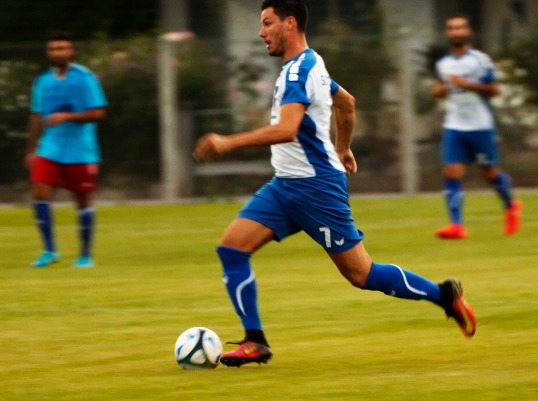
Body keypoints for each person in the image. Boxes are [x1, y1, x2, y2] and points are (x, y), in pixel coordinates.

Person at [193, 0, 476, 368]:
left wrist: (227, 142)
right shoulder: (309, 64)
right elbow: (347, 104)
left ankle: (444, 295)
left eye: (267, 23)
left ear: (289, 24)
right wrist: (342, 148)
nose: (261, 32)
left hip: (316, 189)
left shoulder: (299, 72)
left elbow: (287, 129)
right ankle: (255, 341)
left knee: (362, 274)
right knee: (231, 249)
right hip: (285, 186)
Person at [430, 14, 521, 240]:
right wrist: (440, 90)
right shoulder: (443, 64)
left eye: (460, 27)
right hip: (454, 125)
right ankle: (456, 225)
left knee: (489, 172)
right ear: (448, 33)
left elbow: (494, 90)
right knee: (451, 171)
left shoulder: (480, 60)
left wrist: (467, 84)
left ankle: (511, 205)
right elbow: (439, 90)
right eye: (452, 28)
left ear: (467, 31)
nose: (456, 32)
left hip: (480, 125)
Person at [25, 32, 108, 268]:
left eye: (62, 48)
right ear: (48, 53)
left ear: (72, 51)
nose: (58, 52)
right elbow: (35, 115)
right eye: (53, 49)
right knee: (40, 192)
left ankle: (85, 255)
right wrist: (31, 149)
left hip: (80, 150)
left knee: (82, 200)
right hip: (49, 148)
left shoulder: (84, 78)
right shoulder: (42, 81)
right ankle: (49, 250)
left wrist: (67, 116)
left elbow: (98, 113)